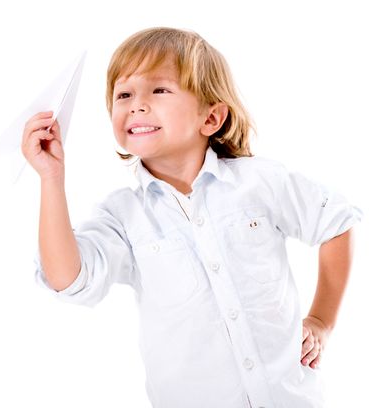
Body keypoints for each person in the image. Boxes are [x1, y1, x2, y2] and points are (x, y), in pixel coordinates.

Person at [21, 27, 363, 408]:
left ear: (211, 117)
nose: (137, 104)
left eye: (159, 90)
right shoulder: (122, 215)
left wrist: (321, 320)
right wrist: (51, 180)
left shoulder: (259, 182)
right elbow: (67, 278)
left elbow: (336, 222)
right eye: (124, 94)